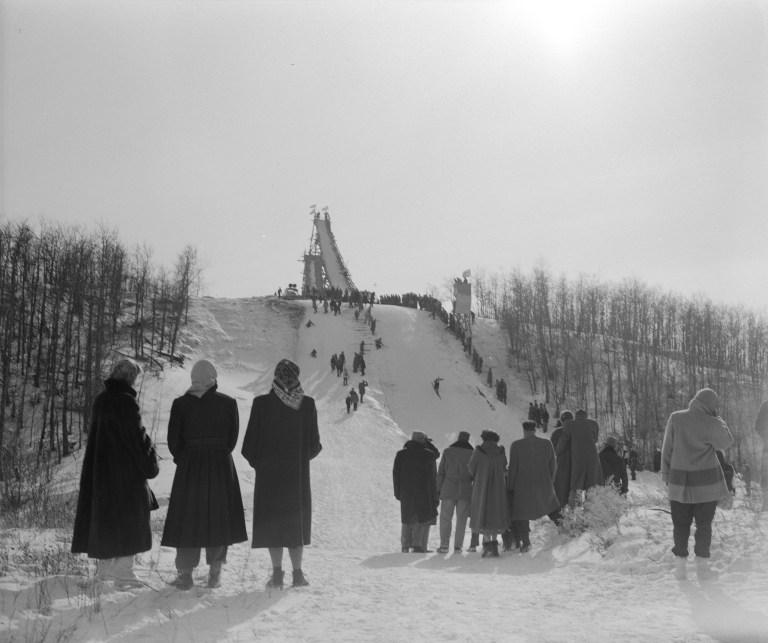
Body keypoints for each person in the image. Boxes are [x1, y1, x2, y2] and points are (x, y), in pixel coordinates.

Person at [72, 358, 159, 588]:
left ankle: (105, 572)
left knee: (105, 520)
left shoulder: (101, 400)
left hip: (101, 474)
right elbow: (136, 437)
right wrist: (150, 459)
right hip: (125, 474)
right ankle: (124, 573)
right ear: (131, 378)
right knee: (131, 519)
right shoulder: (126, 402)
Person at [161, 360, 247, 589]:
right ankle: (215, 572)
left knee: (188, 519)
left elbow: (173, 441)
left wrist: (186, 458)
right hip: (219, 465)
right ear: (213, 377)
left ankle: (186, 575)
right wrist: (218, 454)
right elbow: (232, 438)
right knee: (217, 517)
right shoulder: (228, 403)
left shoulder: (180, 404)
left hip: (190, 467)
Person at [242, 359, 322, 589]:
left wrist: (263, 464)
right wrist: (298, 461)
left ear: (275, 376)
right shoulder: (307, 404)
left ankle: (277, 573)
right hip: (296, 478)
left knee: (272, 524)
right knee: (295, 525)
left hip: (269, 477)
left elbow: (249, 446)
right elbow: (314, 445)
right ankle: (298, 573)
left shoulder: (261, 404)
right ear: (297, 376)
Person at [662, 388, 733, 581]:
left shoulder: (676, 418)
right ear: (711, 405)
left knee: (680, 525)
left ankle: (680, 569)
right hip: (707, 485)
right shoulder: (712, 423)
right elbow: (726, 442)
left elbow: (667, 448)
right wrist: (718, 419)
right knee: (704, 526)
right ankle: (702, 569)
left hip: (679, 483)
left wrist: (666, 475)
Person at [505, 422, 560, 552]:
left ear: (524, 430)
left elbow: (513, 468)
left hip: (522, 485)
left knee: (521, 514)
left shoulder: (516, 445)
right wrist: (550, 482)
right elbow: (553, 466)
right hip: (544, 483)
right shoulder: (547, 444)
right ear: (535, 430)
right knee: (552, 508)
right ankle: (565, 531)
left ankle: (526, 543)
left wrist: (511, 487)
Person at [393, 431, 439, 553]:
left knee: (407, 517)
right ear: (423, 440)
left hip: (405, 490)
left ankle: (405, 545)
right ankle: (417, 544)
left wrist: (397, 492)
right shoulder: (427, 454)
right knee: (420, 517)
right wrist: (428, 444)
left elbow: (396, 475)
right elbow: (437, 454)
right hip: (422, 490)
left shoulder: (401, 454)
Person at [468, 430, 508, 557]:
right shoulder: (501, 451)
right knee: (495, 513)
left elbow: (471, 468)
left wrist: (478, 476)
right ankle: (494, 544)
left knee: (482, 513)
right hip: (498, 488)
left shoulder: (479, 450)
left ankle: (487, 545)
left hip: (482, 487)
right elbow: (504, 466)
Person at [435, 431, 474, 554]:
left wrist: (437, 489)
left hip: (448, 488)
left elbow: (441, 472)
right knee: (461, 519)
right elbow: (474, 474)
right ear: (468, 440)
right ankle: (458, 546)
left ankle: (444, 545)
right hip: (465, 489)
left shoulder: (448, 452)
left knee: (446, 518)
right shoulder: (473, 454)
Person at [563, 409, 602, 507]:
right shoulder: (593, 423)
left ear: (576, 416)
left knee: (575, 487)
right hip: (592, 459)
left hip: (577, 458)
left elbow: (566, 440)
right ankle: (589, 516)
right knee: (592, 487)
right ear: (586, 415)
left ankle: (572, 514)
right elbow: (596, 439)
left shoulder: (569, 424)